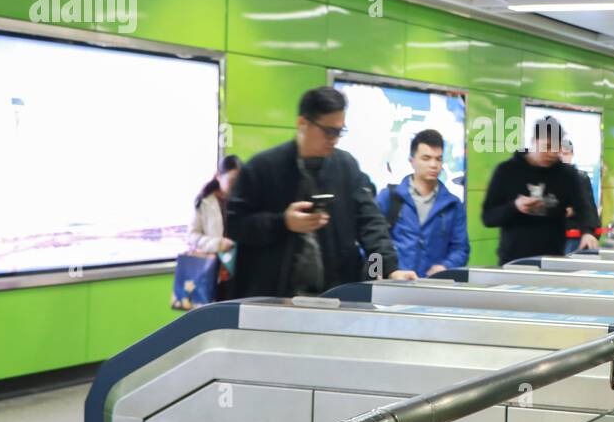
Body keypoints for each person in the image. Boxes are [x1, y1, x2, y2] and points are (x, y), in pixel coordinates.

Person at [226, 86, 417, 297]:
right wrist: (283, 222)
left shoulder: (346, 167)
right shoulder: (263, 167)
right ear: (303, 124)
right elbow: (234, 225)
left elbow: (371, 225)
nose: (335, 139)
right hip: (273, 298)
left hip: (334, 297)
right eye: (329, 131)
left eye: (340, 131)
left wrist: (387, 269)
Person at [481, 116, 592, 265]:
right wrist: (515, 206)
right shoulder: (507, 171)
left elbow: (583, 209)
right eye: (546, 146)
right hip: (513, 261)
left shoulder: (567, 176)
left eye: (556, 149)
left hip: (553, 260)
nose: (551, 154)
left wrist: (587, 232)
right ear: (534, 141)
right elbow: (488, 217)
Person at [375, 129, 470, 277]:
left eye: (438, 159)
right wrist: (382, 275)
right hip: (394, 286)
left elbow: (461, 249)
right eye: (426, 158)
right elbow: (372, 244)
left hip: (434, 289)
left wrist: (446, 266)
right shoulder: (390, 198)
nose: (433, 165)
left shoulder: (453, 205)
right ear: (412, 161)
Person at [189, 155, 242, 254]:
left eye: (239, 181)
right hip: (213, 261)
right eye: (232, 181)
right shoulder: (204, 201)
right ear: (218, 176)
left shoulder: (244, 200)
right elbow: (192, 236)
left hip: (240, 261)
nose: (236, 186)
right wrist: (217, 244)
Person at [559, 137, 601, 254]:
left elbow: (589, 208)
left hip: (574, 236)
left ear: (572, 155)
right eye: (558, 153)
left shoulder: (580, 177)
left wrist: (588, 232)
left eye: (565, 153)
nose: (562, 157)